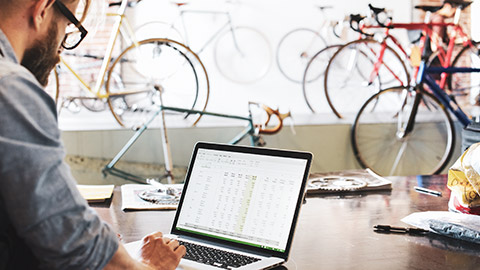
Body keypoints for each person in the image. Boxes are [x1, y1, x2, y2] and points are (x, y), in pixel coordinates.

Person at [0, 0, 186, 269]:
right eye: (68, 26)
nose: (61, 49)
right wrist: (150, 266)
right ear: (42, 9)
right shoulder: (11, 88)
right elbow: (72, 242)